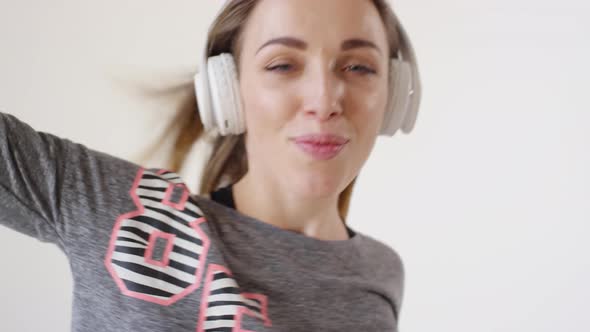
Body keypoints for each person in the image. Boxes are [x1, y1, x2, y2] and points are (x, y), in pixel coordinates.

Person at [0, 0, 422, 330]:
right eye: (282, 65)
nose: (325, 101)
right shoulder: (123, 213)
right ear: (228, 93)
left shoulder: (382, 274)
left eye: (359, 67)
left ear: (394, 95)